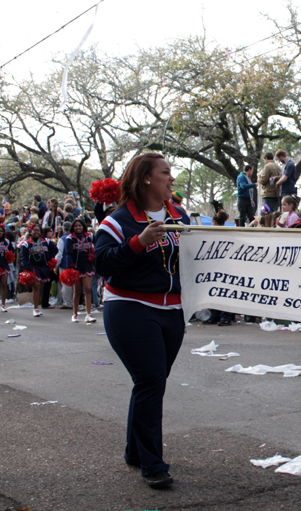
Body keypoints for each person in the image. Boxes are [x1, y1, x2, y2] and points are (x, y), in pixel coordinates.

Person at [94, 152, 190, 489]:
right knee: (150, 380)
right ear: (146, 178)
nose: (172, 179)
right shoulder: (117, 221)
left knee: (152, 383)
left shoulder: (180, 215)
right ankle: (152, 463)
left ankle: (135, 452)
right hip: (130, 308)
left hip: (173, 312)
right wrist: (138, 242)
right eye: (166, 172)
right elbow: (103, 264)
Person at [20, 225, 58, 317]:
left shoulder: (46, 241)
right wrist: (25, 269)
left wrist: (48, 257)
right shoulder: (26, 244)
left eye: (38, 230)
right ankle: (35, 308)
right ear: (31, 231)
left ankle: (37, 306)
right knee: (36, 287)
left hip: (43, 267)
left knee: (40, 287)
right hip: (32, 267)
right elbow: (24, 257)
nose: (36, 232)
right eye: (34, 230)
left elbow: (55, 249)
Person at [65, 219, 97, 323]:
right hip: (75, 267)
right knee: (77, 291)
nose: (78, 228)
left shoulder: (90, 236)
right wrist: (70, 267)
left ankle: (89, 313)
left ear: (83, 226)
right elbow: (68, 254)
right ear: (73, 228)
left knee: (88, 288)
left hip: (87, 266)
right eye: (76, 226)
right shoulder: (70, 239)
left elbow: (99, 244)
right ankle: (75, 314)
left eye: (80, 226)